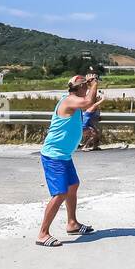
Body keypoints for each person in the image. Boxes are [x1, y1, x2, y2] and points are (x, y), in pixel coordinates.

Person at [36, 75, 98, 247]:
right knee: (61, 193)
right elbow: (87, 103)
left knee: (73, 186)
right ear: (78, 88)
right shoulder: (70, 100)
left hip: (64, 155)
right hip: (54, 155)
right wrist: (95, 85)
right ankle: (42, 234)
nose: (86, 88)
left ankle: (72, 224)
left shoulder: (75, 100)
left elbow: (88, 104)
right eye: (84, 86)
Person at [80, 75, 106, 151]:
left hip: (87, 123)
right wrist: (103, 96)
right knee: (93, 134)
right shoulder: (92, 107)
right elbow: (99, 102)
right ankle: (84, 147)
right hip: (85, 125)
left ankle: (94, 146)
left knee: (96, 133)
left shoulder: (89, 110)